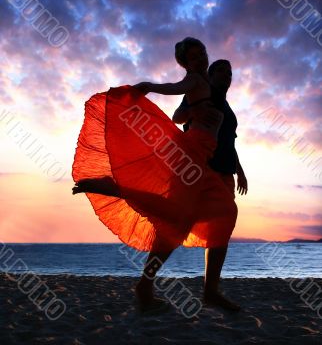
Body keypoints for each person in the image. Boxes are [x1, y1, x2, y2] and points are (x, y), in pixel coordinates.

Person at [72, 37, 239, 313]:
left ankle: (154, 286)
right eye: (194, 57)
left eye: (203, 53)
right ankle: (117, 189)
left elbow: (210, 126)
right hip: (191, 157)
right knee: (192, 217)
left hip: (200, 161)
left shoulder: (207, 89)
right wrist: (149, 87)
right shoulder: (196, 82)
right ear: (185, 63)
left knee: (184, 220)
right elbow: (178, 98)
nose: (201, 59)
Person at [172, 58, 248, 312]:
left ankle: (210, 291)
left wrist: (241, 172)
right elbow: (178, 117)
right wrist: (194, 112)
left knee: (222, 228)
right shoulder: (200, 93)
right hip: (201, 169)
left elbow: (230, 143)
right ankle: (146, 284)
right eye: (222, 71)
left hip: (226, 173)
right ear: (211, 74)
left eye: (230, 71)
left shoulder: (228, 108)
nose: (227, 75)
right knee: (176, 223)